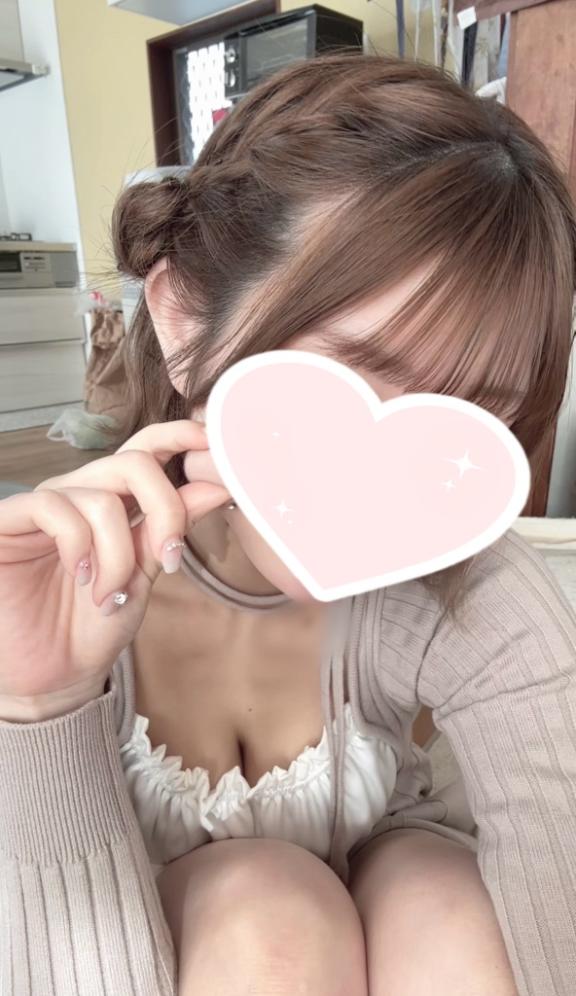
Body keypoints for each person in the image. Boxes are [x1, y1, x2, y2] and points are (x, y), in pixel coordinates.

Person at [1, 52, 575, 996]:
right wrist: (38, 707)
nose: (389, 477)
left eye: (468, 424)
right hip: (138, 948)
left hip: (400, 902)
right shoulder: (40, 585)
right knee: (266, 913)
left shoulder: (455, 593)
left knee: (441, 900)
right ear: (184, 320)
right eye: (350, 375)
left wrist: (518, 615)